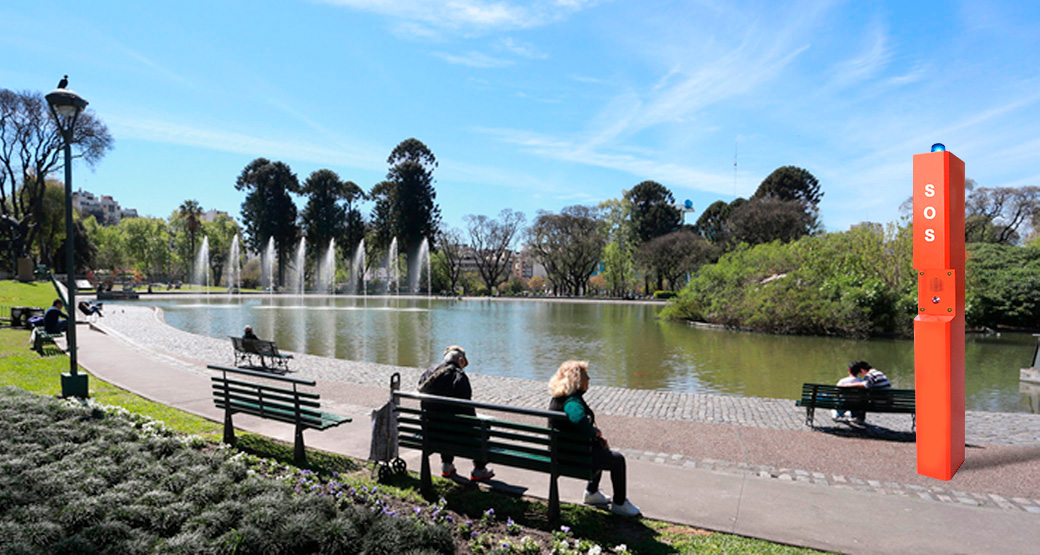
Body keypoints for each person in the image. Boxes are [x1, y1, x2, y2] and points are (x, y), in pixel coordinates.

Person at [548, 360, 641, 517]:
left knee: (599, 450)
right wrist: (594, 433)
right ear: (577, 380)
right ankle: (619, 503)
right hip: (573, 457)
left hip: (561, 453)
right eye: (586, 376)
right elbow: (577, 418)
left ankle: (592, 492)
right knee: (617, 459)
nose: (589, 379)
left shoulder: (559, 398)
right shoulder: (572, 401)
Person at [417, 345, 494, 481]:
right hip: (454, 433)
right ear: (459, 360)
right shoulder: (459, 376)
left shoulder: (429, 372)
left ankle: (447, 465)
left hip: (430, 430)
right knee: (483, 427)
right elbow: (467, 411)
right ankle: (479, 469)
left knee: (445, 421)